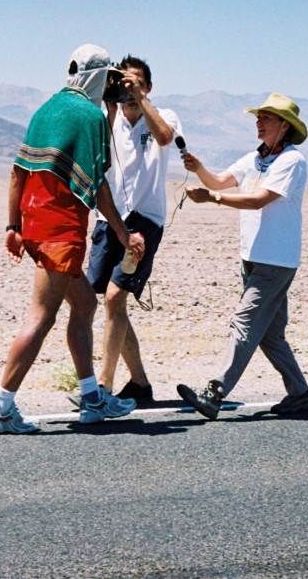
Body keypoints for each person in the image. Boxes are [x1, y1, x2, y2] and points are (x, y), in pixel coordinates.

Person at [0, 44, 146, 434]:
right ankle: (1, 407)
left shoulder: (47, 109)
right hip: (61, 230)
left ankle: (91, 398)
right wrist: (122, 232)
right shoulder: (89, 116)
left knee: (85, 304)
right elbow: (99, 181)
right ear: (98, 78)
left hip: (34, 223)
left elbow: (18, 172)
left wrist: (12, 226)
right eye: (107, 78)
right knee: (41, 317)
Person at [176, 92, 308, 420]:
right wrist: (199, 169)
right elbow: (221, 181)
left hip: (276, 260)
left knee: (244, 322)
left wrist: (213, 198)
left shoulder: (292, 161)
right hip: (253, 257)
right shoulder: (256, 158)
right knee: (268, 333)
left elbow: (258, 200)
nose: (258, 122)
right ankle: (300, 393)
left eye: (266, 117)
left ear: (284, 125)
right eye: (259, 116)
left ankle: (215, 391)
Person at [83, 55, 181, 404]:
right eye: (122, 81)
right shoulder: (109, 119)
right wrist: (110, 103)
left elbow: (165, 137)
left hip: (145, 220)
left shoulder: (163, 116)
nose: (127, 87)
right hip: (110, 218)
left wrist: (140, 98)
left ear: (149, 86)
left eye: (135, 81)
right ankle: (139, 383)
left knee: (114, 297)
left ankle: (103, 388)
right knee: (110, 304)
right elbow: (96, 149)